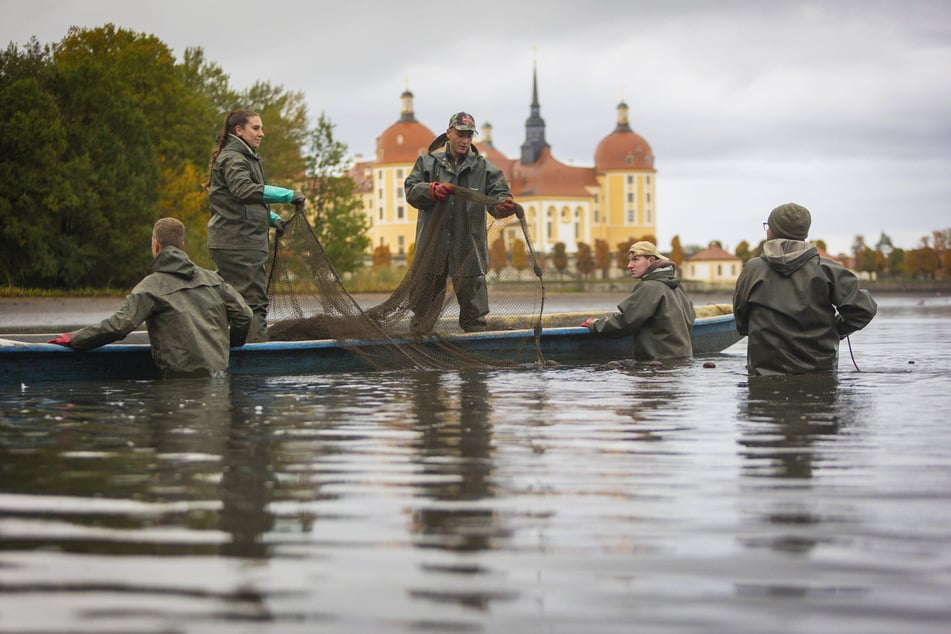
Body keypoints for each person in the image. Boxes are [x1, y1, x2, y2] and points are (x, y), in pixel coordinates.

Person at [48, 218, 253, 378]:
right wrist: (228, 345)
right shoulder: (214, 279)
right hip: (219, 377)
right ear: (182, 245)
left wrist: (75, 338)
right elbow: (245, 315)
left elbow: (119, 326)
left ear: (155, 245)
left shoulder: (150, 287)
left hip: (179, 381)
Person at [733, 202, 877, 376]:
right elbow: (864, 309)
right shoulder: (829, 270)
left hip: (763, 374)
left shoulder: (752, 270)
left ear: (772, 231)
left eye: (768, 227)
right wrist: (836, 330)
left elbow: (741, 322)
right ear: (804, 232)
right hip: (820, 373)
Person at [403, 111, 516, 333]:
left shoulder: (485, 169)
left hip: (468, 252)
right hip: (432, 251)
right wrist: (432, 190)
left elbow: (499, 197)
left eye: (469, 136)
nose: (465, 140)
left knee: (475, 320)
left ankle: (476, 361)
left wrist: (503, 207)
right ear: (449, 133)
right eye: (460, 135)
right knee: (422, 317)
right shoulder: (427, 163)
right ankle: (421, 358)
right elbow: (411, 191)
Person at [205, 109, 304, 342]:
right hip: (239, 244)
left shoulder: (245, 157)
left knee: (230, 299)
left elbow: (240, 202)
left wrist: (272, 219)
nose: (262, 133)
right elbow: (243, 190)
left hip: (237, 241)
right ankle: (256, 356)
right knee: (253, 303)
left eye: (261, 128)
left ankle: (219, 343)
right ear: (238, 130)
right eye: (256, 128)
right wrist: (288, 195)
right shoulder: (234, 158)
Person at [580, 241, 696, 361]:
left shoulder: (650, 287)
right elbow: (691, 317)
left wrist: (595, 324)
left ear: (651, 261)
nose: (629, 265)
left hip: (658, 362)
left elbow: (627, 321)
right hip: (682, 359)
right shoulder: (676, 286)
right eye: (629, 260)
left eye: (635, 260)